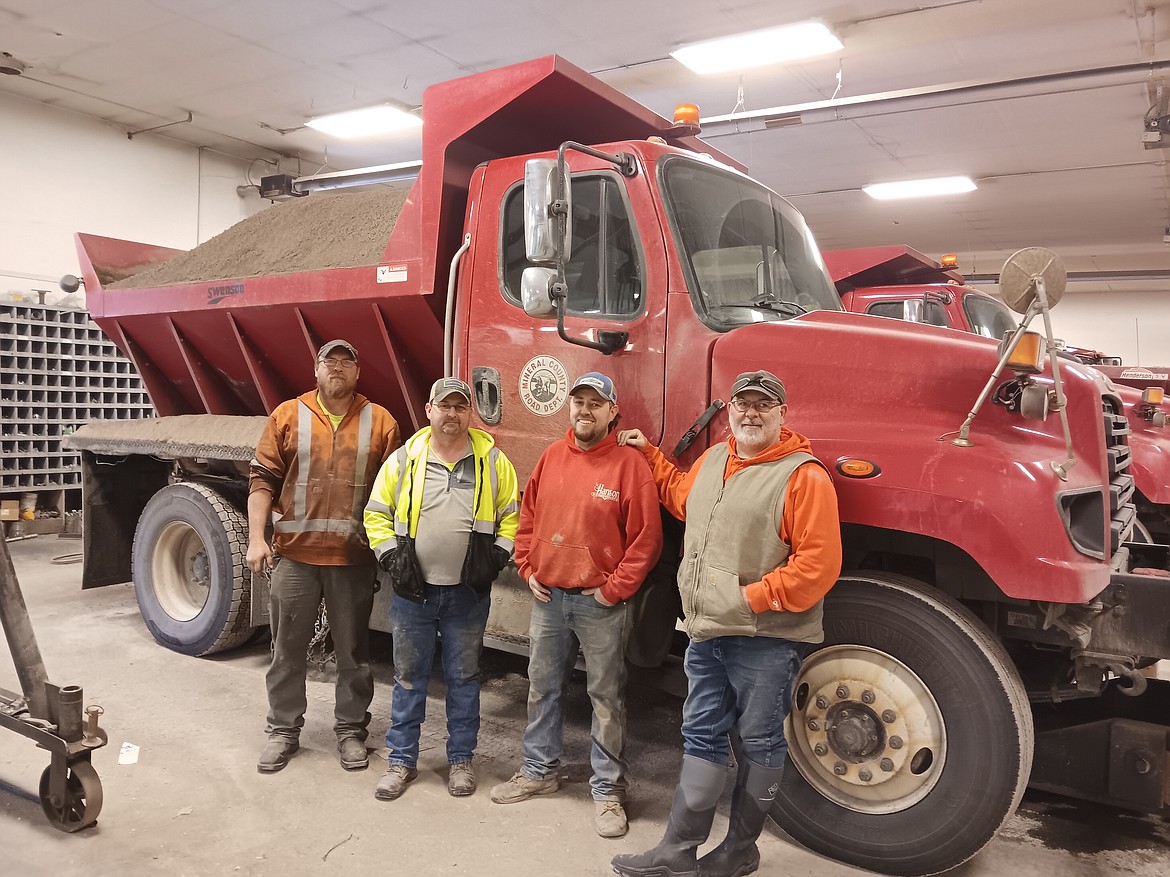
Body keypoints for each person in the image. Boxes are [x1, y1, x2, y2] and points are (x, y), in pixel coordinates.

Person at [611, 370, 842, 877]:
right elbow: (680, 496)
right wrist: (650, 455)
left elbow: (818, 566)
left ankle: (740, 851)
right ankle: (677, 851)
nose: (750, 414)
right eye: (743, 404)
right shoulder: (715, 458)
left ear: (783, 415)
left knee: (759, 742)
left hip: (765, 639)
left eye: (764, 405)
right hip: (707, 632)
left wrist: (749, 599)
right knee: (701, 736)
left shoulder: (803, 475)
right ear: (730, 410)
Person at [490, 372, 663, 839]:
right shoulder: (551, 456)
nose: (584, 410)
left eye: (595, 403)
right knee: (541, 687)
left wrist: (613, 590)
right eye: (578, 402)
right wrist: (526, 568)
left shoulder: (629, 465)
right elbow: (527, 518)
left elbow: (646, 541)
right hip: (549, 599)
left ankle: (608, 791)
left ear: (612, 413)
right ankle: (538, 771)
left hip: (599, 605)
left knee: (605, 697)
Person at [363, 377, 520, 801]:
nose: (451, 414)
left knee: (465, 679)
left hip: (467, 595)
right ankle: (400, 762)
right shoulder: (404, 461)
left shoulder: (493, 462)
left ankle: (461, 761)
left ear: (470, 413)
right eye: (443, 406)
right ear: (428, 410)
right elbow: (376, 514)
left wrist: (498, 557)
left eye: (460, 407)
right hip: (414, 594)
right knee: (409, 679)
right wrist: (391, 558)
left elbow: (512, 515)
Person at [247, 340, 400, 774]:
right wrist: (256, 539)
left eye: (346, 362)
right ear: (315, 370)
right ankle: (282, 730)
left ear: (357, 372)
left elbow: (396, 494)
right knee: (286, 650)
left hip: (352, 560)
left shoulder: (382, 421)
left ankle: (351, 732)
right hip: (295, 559)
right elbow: (262, 481)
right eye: (328, 361)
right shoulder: (287, 415)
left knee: (354, 653)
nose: (337, 368)